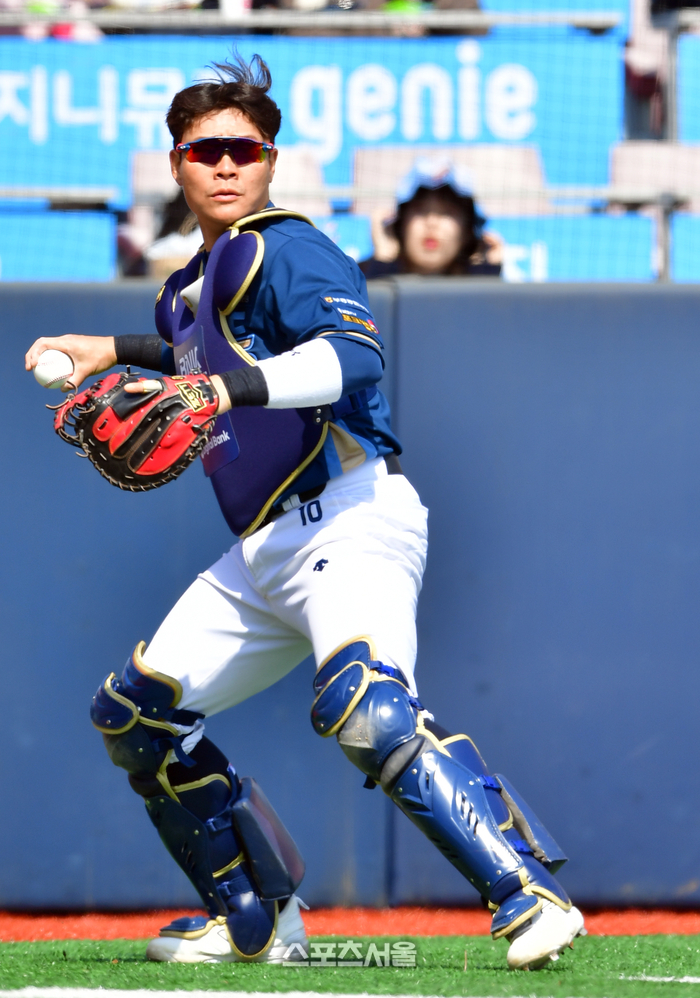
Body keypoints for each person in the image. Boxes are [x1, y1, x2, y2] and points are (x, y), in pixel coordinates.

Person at [25, 55, 582, 970]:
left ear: (271, 160)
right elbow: (194, 348)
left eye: (244, 149)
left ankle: (527, 893)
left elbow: (354, 357)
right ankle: (254, 914)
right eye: (205, 150)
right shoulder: (188, 283)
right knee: (135, 715)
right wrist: (109, 348)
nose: (226, 165)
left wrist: (218, 393)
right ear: (176, 164)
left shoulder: (287, 247)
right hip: (264, 548)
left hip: (352, 515)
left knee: (367, 708)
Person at [360, 157, 502, 279]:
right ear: (399, 225)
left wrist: (487, 274)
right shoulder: (357, 279)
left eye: (447, 213)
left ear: (467, 231)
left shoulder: (485, 284)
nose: (431, 222)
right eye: (420, 211)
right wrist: (383, 263)